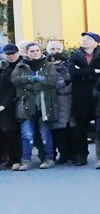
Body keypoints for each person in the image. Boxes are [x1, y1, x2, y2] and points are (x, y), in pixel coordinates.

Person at [11, 42, 59, 171]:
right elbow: (15, 80)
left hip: (45, 105)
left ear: (40, 51)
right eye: (32, 51)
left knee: (45, 134)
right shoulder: (21, 65)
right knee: (26, 134)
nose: (35, 53)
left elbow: (51, 81)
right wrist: (33, 79)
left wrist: (29, 86)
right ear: (27, 53)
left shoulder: (48, 65)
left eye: (37, 50)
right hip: (26, 105)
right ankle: (26, 161)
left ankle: (49, 159)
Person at [67, 32, 100, 166]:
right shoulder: (75, 56)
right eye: (83, 39)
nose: (84, 41)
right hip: (80, 97)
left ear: (96, 43)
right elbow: (73, 73)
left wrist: (82, 72)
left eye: (88, 39)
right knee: (80, 129)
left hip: (98, 96)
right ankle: (82, 155)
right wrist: (93, 71)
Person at [45, 41, 74, 165]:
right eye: (52, 48)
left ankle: (73, 154)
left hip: (71, 101)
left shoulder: (70, 66)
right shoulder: (46, 67)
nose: (55, 51)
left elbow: (74, 83)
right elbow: (51, 85)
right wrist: (65, 83)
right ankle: (62, 154)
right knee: (58, 131)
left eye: (57, 48)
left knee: (72, 129)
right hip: (55, 102)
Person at [0, 44, 22, 167]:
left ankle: (15, 160)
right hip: (5, 104)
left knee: (10, 133)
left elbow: (12, 89)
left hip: (11, 105)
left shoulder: (18, 66)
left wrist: (4, 104)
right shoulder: (4, 67)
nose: (10, 56)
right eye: (8, 54)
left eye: (12, 53)